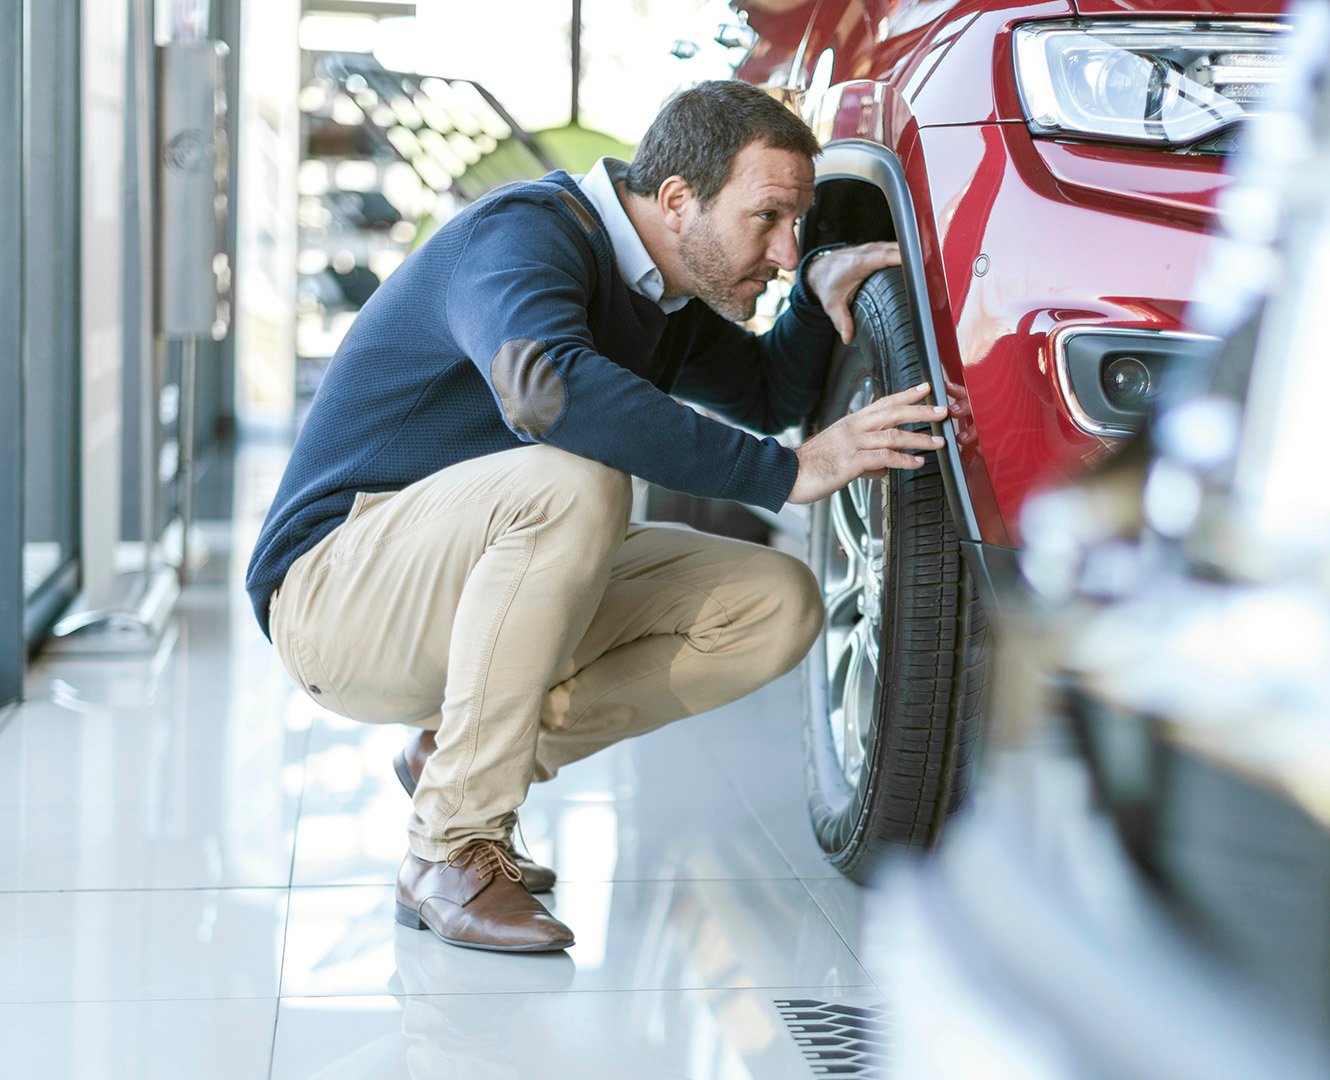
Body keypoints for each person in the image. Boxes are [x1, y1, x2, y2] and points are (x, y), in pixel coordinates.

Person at [244, 81, 945, 953]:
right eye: (767, 218)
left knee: (775, 603)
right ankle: (451, 846)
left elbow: (768, 393)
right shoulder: (521, 236)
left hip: (458, 585)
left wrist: (813, 293)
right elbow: (546, 393)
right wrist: (790, 470)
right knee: (577, 477)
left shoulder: (663, 297)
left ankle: (452, 765)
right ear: (678, 199)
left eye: (795, 225)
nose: (784, 247)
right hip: (332, 598)